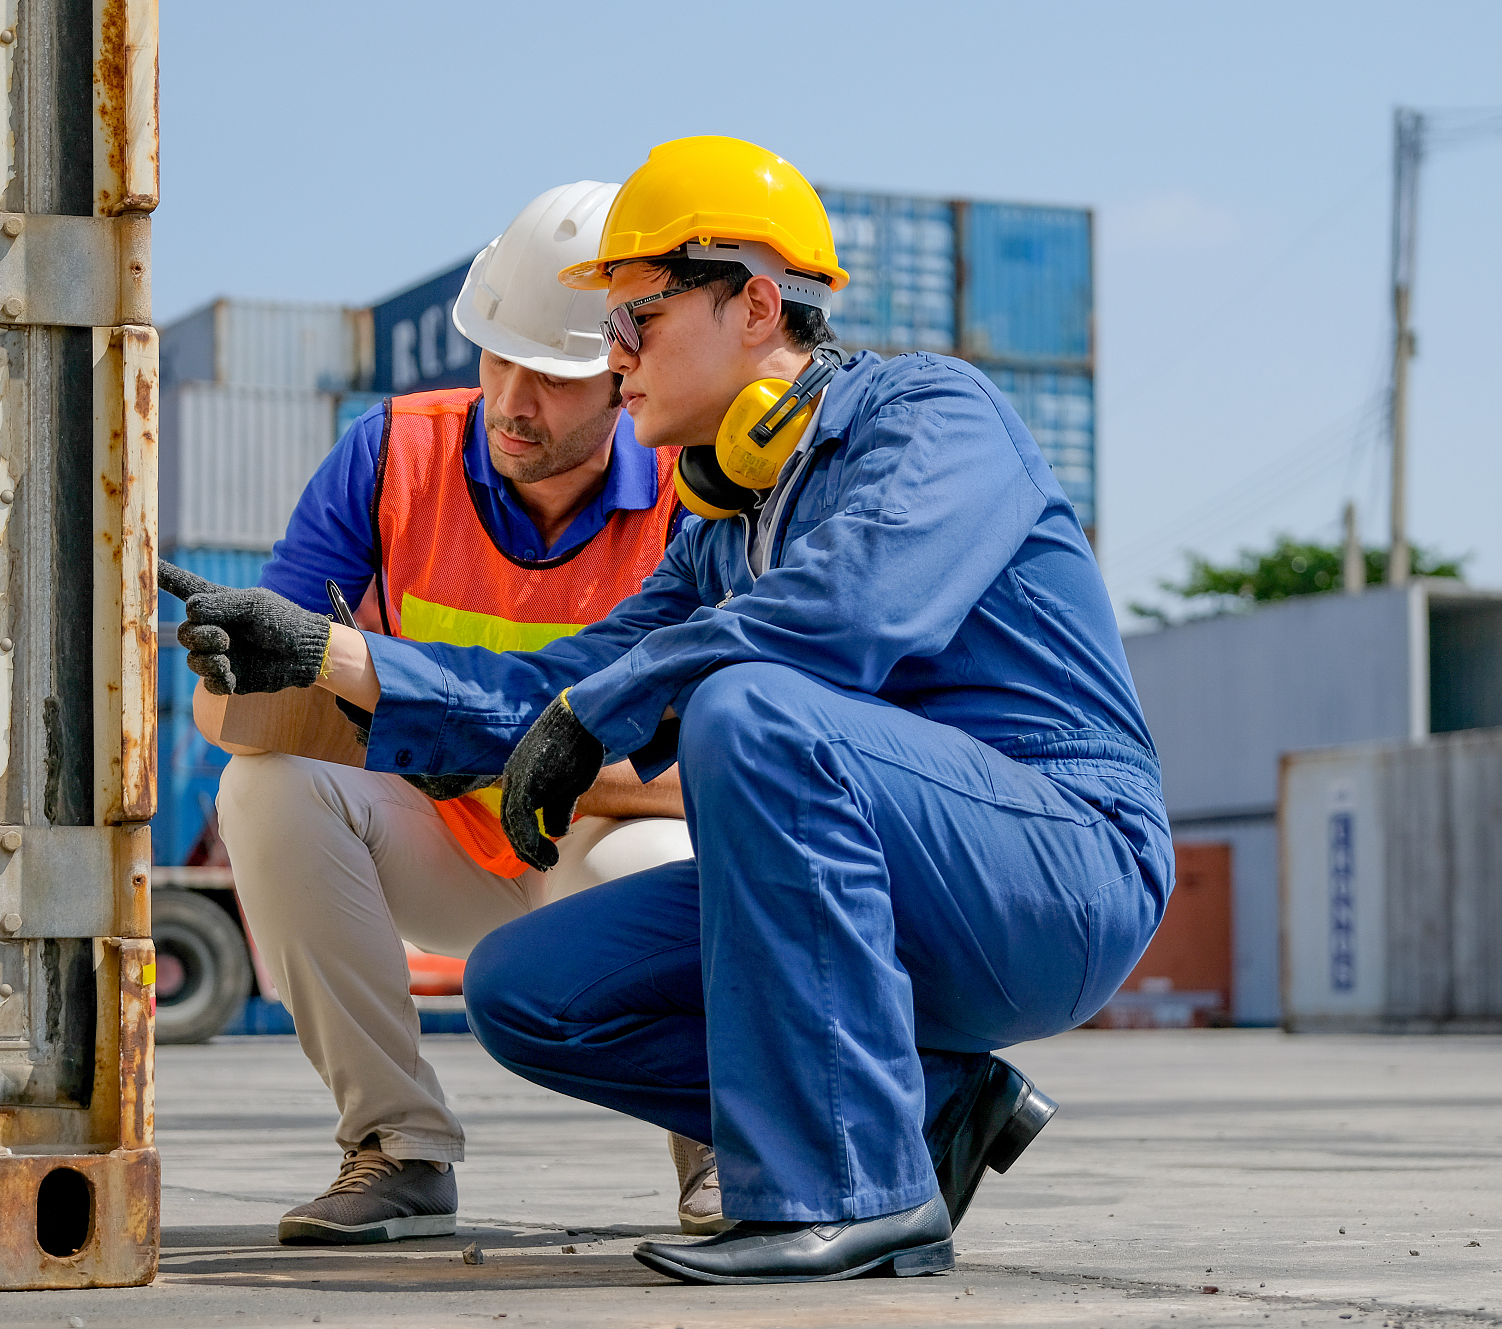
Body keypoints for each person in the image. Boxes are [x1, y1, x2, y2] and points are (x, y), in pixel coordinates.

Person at [168, 137, 1173, 1285]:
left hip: (1056, 873)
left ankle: (854, 1193)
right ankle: (931, 1105)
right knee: (532, 993)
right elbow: (560, 684)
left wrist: (599, 711)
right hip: (897, 905)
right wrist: (329, 656)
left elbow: (848, 610)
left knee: (754, 707)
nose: (616, 356)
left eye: (634, 323)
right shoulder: (720, 532)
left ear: (754, 304)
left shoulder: (930, 414)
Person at [176, 181, 724, 1246]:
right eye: (496, 356)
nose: (514, 400)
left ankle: (721, 1138)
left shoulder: (689, 493)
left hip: (596, 849)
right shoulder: (389, 458)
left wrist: (489, 748)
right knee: (265, 788)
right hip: (445, 851)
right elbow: (253, 719)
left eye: (555, 376)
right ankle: (398, 1147)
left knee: (659, 860)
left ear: (623, 371)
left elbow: (722, 766)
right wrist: (235, 686)